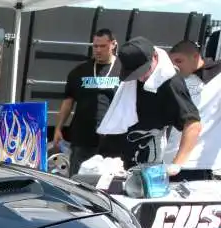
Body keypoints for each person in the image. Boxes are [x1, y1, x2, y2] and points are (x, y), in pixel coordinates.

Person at [97, 36, 201, 173]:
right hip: (116, 158)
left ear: (155, 57)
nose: (141, 77)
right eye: (135, 74)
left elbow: (193, 125)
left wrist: (177, 164)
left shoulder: (170, 82)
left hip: (147, 159)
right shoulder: (131, 80)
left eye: (143, 71)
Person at [54, 29, 123, 175]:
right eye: (95, 46)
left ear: (113, 44)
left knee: (108, 180)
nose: (98, 50)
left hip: (112, 139)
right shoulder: (79, 71)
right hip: (83, 138)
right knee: (77, 179)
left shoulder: (123, 70)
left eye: (103, 46)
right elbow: (68, 102)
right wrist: (58, 128)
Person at [164, 40, 221, 177]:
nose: (175, 66)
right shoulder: (174, 79)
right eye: (172, 62)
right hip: (169, 159)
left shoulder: (217, 77)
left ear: (195, 56)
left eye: (179, 61)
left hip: (200, 164)